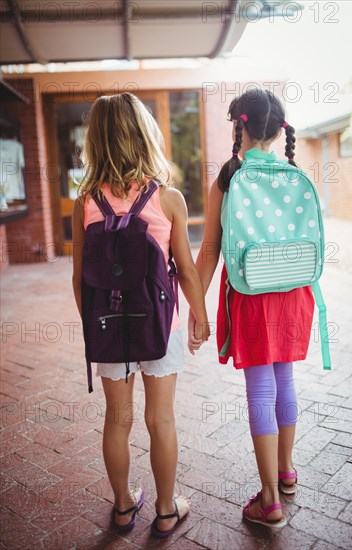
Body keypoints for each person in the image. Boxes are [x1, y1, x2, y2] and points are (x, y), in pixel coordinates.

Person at [72, 92, 210, 538]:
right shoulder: (168, 198)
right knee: (161, 418)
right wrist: (200, 316)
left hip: (108, 325)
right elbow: (186, 270)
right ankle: (167, 510)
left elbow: (80, 278)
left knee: (117, 418)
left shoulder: (85, 201)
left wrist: (91, 323)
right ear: (145, 134)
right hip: (159, 324)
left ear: (97, 141)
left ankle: (123, 506)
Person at [188, 88, 315, 528]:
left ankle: (269, 500)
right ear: (280, 131)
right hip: (295, 293)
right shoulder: (293, 171)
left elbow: (209, 252)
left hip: (251, 293)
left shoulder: (227, 178)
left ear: (238, 126)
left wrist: (197, 306)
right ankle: (286, 471)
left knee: (260, 389)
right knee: (286, 379)